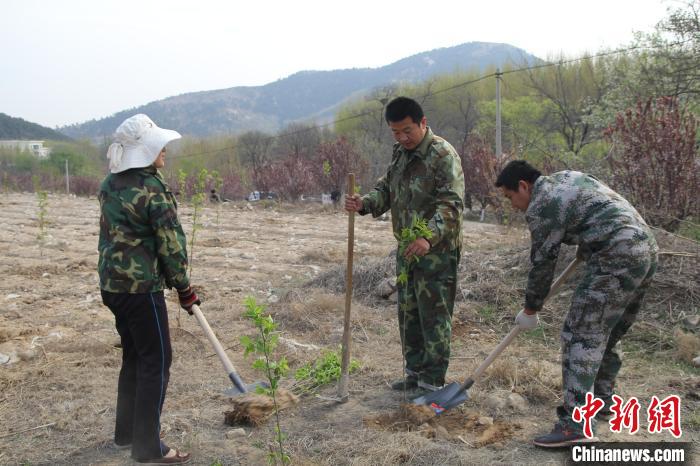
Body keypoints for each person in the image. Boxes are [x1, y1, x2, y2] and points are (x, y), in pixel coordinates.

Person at [495, 160, 658, 447]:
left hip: (616, 254)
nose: (513, 205)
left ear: (524, 185)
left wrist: (531, 309)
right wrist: (588, 244)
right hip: (646, 247)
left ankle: (576, 423)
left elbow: (543, 263)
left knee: (581, 334)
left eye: (511, 197)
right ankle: (603, 400)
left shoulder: (542, 204)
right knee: (606, 330)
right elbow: (599, 209)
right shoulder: (568, 179)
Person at [345, 97, 465, 393]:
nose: (402, 138)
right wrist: (364, 203)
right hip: (407, 250)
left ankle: (432, 382)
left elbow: (451, 205)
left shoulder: (442, 155)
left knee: (433, 318)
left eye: (407, 131)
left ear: (423, 123)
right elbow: (387, 188)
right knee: (408, 313)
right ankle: (414, 375)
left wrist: (428, 237)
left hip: (437, 253)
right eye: (395, 133)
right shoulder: (400, 153)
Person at [98, 114, 199, 464]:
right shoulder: (152, 187)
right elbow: (170, 243)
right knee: (157, 360)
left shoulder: (110, 183)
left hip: (112, 286)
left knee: (134, 357)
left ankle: (125, 433)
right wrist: (184, 287)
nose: (165, 151)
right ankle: (147, 446)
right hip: (141, 289)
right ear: (145, 150)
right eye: (159, 146)